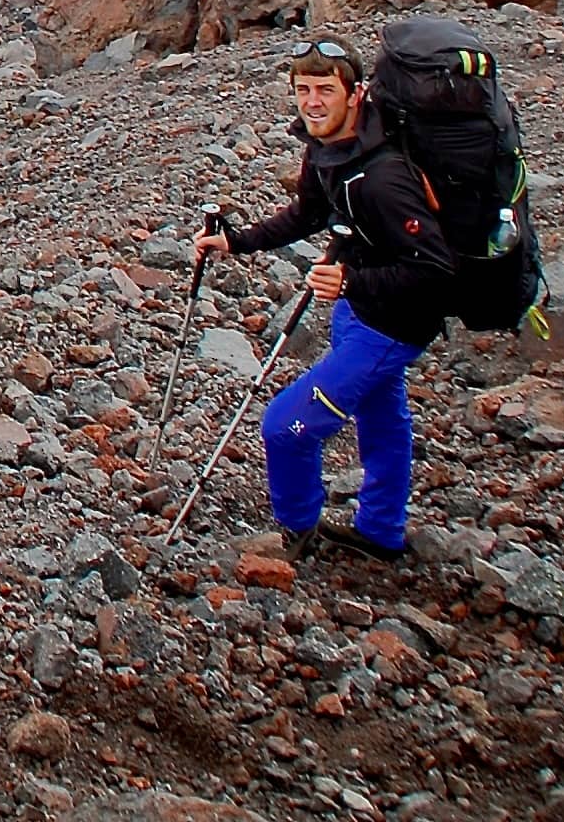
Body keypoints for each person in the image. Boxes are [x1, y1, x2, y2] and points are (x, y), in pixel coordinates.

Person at [193, 36, 456, 562]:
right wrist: (237, 241)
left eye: (324, 91)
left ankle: (298, 532)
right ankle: (381, 533)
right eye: (303, 89)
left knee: (286, 427)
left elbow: (436, 272)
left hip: (391, 326)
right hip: (358, 312)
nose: (312, 102)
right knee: (384, 419)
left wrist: (352, 283)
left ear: (354, 94)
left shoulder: (383, 178)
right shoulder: (328, 147)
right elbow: (310, 213)